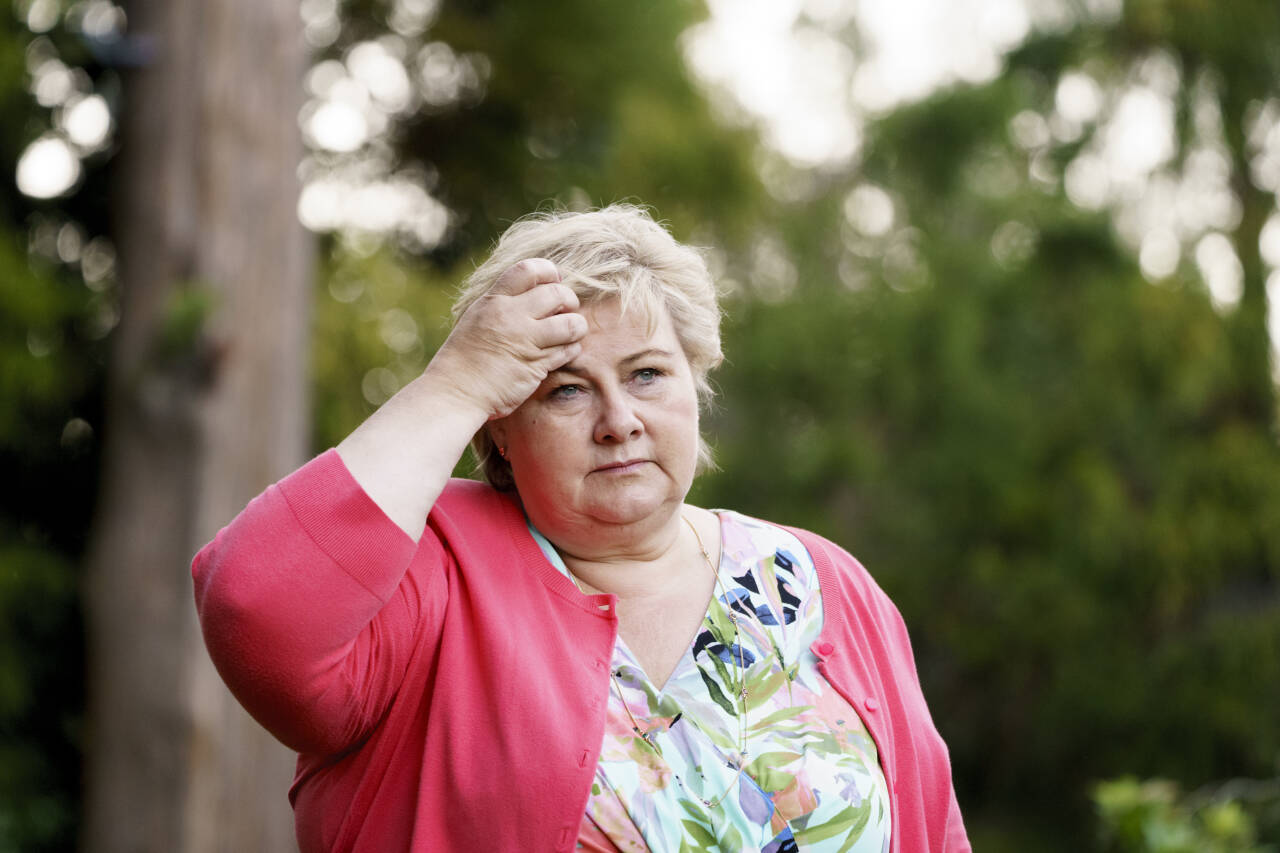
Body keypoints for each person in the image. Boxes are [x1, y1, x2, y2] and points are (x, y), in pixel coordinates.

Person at [193, 204, 969, 852]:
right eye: (566, 391)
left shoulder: (818, 578)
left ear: (695, 382)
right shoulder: (434, 569)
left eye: (647, 374)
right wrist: (459, 379)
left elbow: (934, 828)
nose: (619, 421)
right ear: (499, 428)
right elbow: (255, 608)